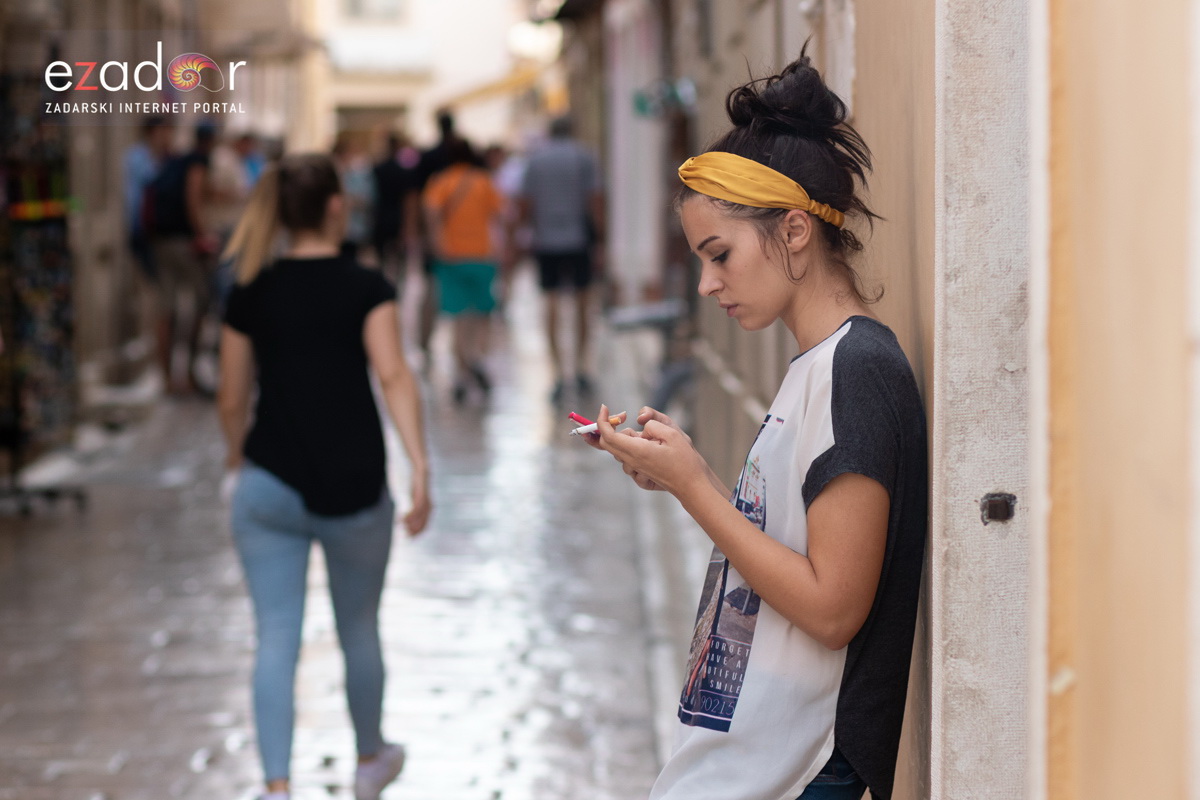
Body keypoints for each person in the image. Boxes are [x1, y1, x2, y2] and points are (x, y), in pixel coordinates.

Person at [588, 50, 927, 800]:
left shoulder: (858, 369)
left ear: (795, 231)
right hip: (752, 761)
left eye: (720, 255)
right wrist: (687, 475)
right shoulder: (818, 365)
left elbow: (833, 609)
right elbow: (788, 550)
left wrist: (693, 489)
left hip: (803, 769)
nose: (707, 284)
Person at [217, 153, 432, 800]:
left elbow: (230, 397)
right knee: (358, 629)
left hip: (269, 481)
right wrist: (420, 467)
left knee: (275, 636)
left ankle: (277, 786)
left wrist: (236, 460)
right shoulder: (365, 286)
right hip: (355, 485)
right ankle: (369, 761)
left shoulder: (250, 288)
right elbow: (393, 375)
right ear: (337, 206)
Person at [517, 115, 605, 403]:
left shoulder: (535, 160)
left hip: (546, 241)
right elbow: (594, 199)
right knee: (583, 304)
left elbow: (525, 202)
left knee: (551, 305)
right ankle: (580, 367)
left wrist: (523, 232)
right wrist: (600, 238)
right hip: (578, 239)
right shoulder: (584, 157)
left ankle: (557, 372)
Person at [422, 138, 504, 403]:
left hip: (451, 256)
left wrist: (438, 243)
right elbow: (500, 215)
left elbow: (431, 213)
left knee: (458, 317)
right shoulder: (483, 181)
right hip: (482, 255)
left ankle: (461, 371)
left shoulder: (441, 182)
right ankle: (477, 357)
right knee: (481, 314)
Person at [147, 121, 219, 395]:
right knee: (200, 302)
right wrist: (203, 235)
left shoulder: (176, 161)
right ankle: (188, 373)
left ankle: (168, 378)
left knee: (168, 308)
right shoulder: (197, 161)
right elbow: (193, 197)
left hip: (161, 241)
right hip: (183, 243)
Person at [371, 132, 420, 286]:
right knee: (399, 263)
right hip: (398, 219)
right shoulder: (403, 171)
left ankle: (383, 287)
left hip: (380, 219)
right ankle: (395, 290)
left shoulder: (377, 169)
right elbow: (410, 200)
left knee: (382, 261)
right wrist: (409, 227)